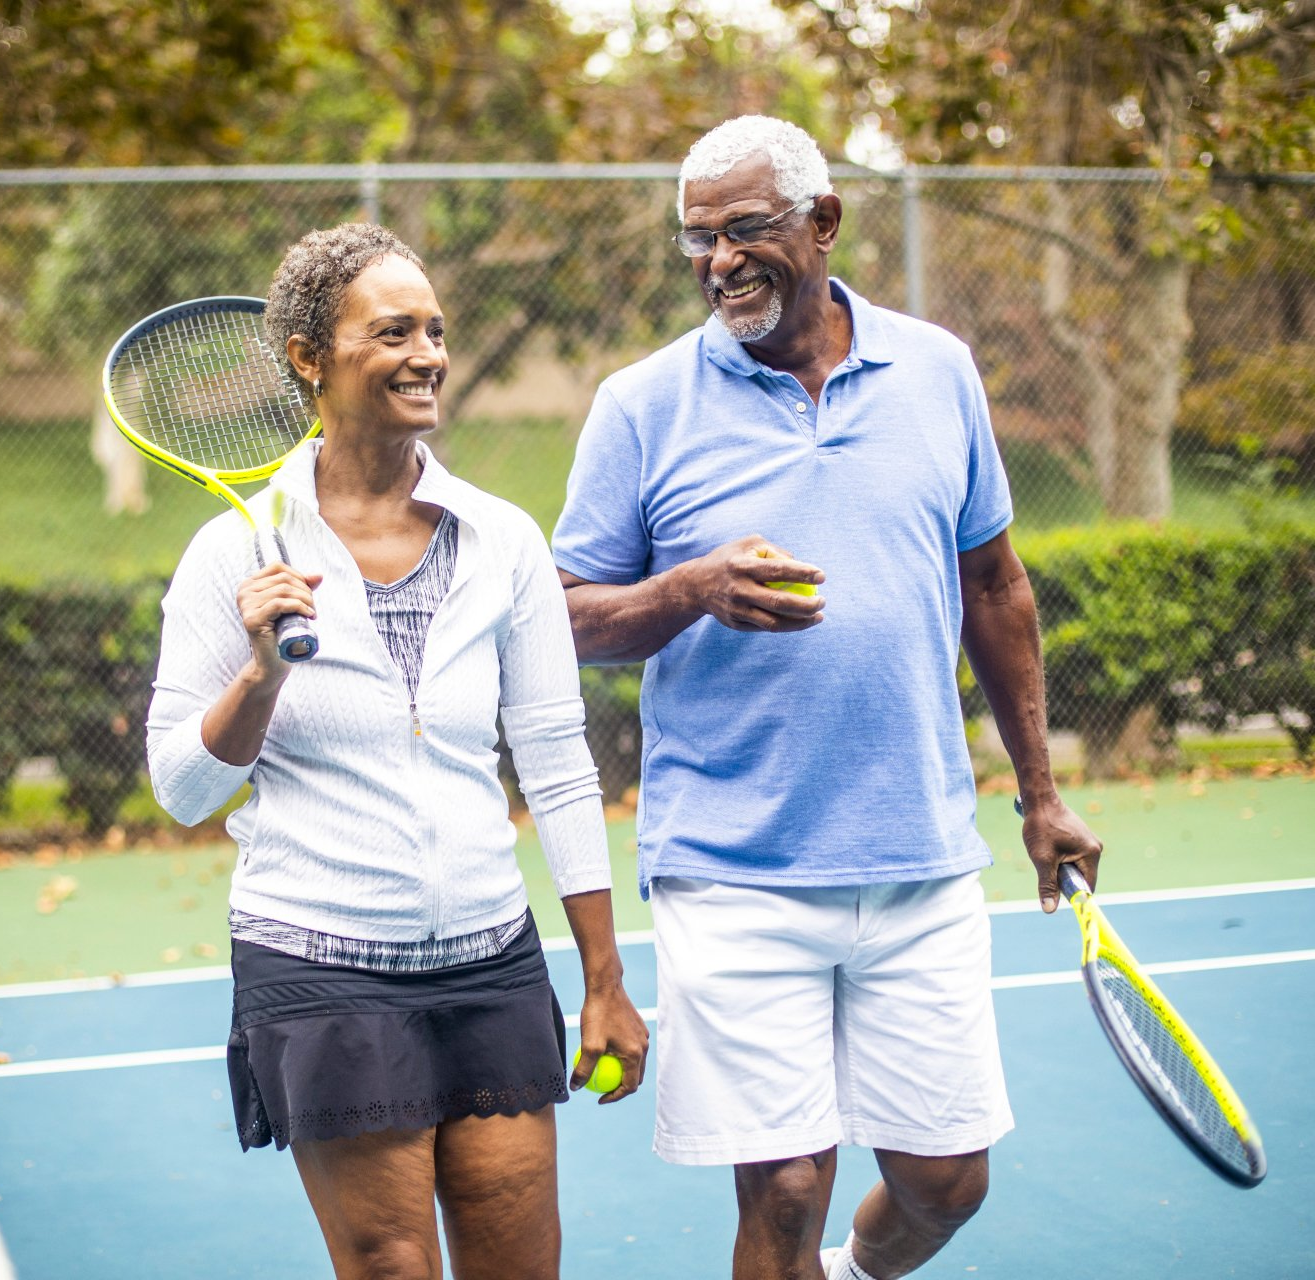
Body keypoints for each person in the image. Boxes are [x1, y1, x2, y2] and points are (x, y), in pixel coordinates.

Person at [551, 116, 1103, 1280]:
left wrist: (1040, 794)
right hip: (732, 864)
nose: (719, 260)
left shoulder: (938, 370)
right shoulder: (640, 404)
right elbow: (559, 616)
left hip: (918, 850)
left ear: (825, 221)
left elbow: (994, 583)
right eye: (697, 238)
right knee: (788, 1190)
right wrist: (690, 590)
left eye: (745, 229)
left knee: (946, 1181)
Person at [146, 222, 648, 1280]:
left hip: (490, 956)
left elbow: (557, 758)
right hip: (319, 962)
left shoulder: (503, 537)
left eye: (435, 330)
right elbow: (183, 788)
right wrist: (261, 673)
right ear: (308, 357)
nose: (427, 354)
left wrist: (604, 977)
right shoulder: (232, 551)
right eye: (393, 332)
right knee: (391, 1266)